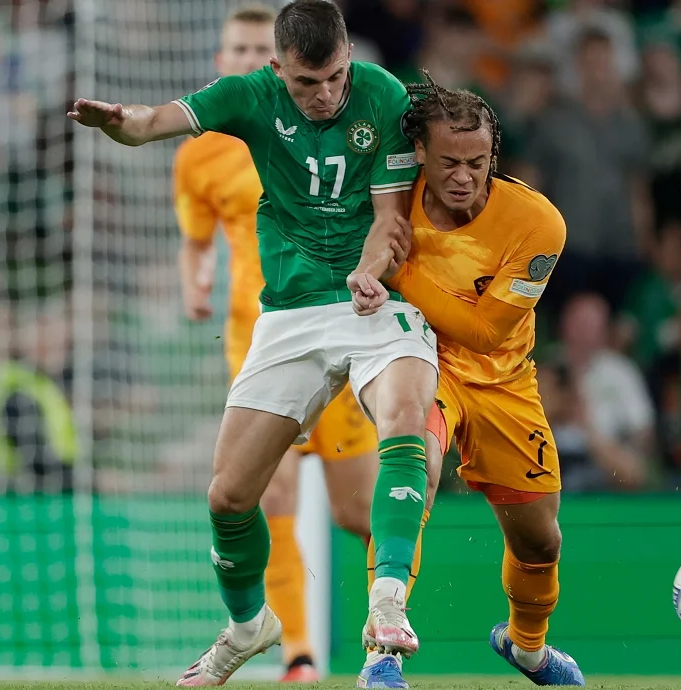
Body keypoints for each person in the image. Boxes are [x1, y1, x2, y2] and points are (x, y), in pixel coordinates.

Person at [68, 1, 439, 685]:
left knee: (406, 419)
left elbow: (391, 217)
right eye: (307, 83)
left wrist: (368, 271)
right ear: (278, 69)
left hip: (373, 302)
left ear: (349, 57)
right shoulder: (248, 97)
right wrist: (121, 122)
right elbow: (153, 122)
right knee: (228, 497)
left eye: (335, 77)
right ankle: (250, 628)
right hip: (288, 315)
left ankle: (388, 605)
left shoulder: (383, 95)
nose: (324, 95)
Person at [170, 4, 398, 682]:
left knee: (358, 509)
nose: (245, 61)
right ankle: (297, 655)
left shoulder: (315, 126)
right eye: (235, 51)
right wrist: (194, 281)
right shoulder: (202, 153)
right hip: (261, 342)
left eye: (254, 50)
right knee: (268, 499)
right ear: (224, 62)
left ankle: (383, 639)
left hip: (340, 330)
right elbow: (195, 240)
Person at [349, 78, 584, 687]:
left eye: (477, 163)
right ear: (420, 154)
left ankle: (527, 649)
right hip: (422, 359)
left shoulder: (537, 225)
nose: (463, 177)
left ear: (493, 157)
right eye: (449, 162)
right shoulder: (391, 197)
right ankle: (380, 654)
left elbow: (484, 332)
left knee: (540, 542)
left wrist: (401, 274)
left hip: (504, 380)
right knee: (415, 470)